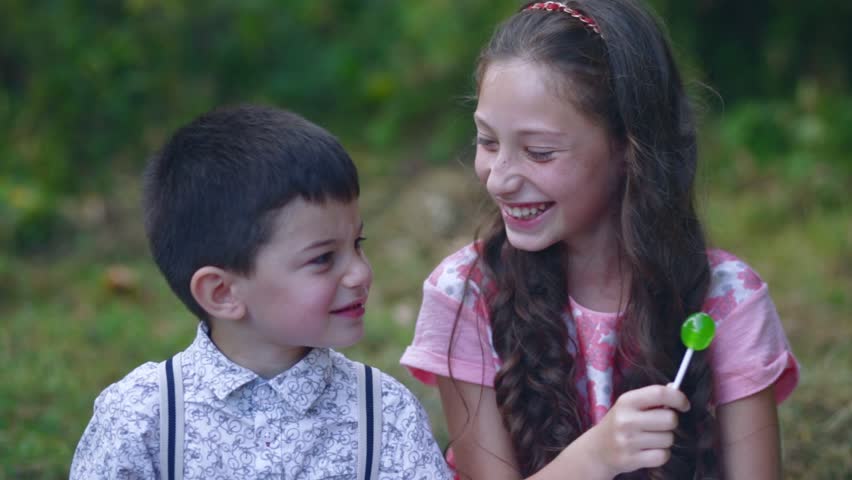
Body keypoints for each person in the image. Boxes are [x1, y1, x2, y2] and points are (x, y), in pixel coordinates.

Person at [400, 1, 799, 479]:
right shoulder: (464, 296)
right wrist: (593, 460)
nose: (498, 179)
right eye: (487, 141)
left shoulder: (727, 301)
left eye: (539, 152)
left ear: (631, 149)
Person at [71, 104, 452, 479]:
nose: (359, 272)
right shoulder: (142, 418)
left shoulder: (385, 413)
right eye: (322, 258)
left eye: (358, 242)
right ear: (222, 292)